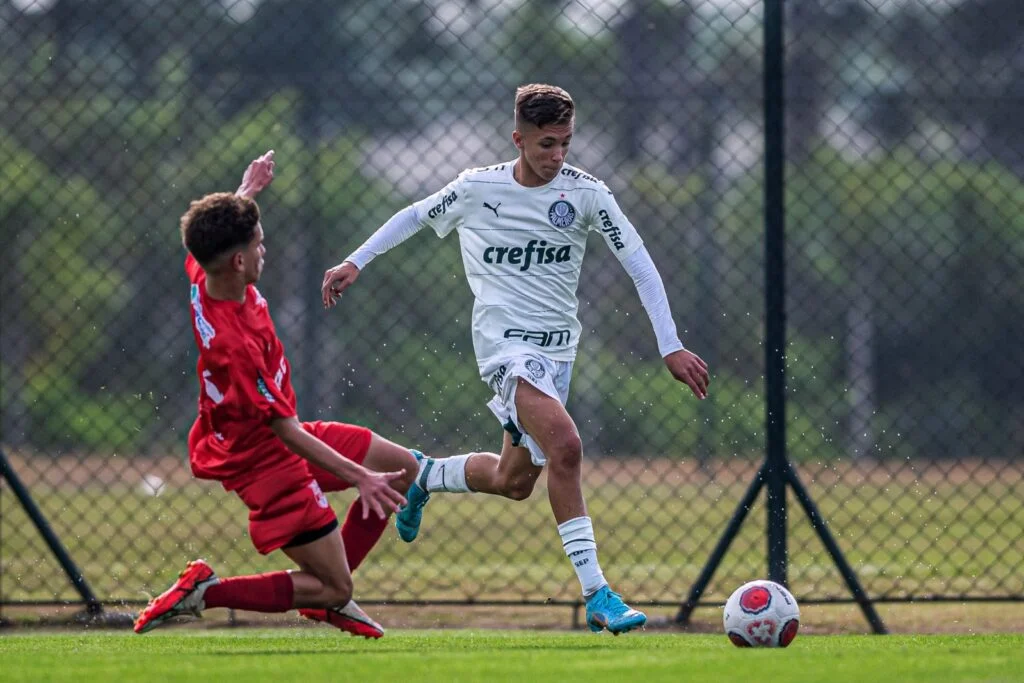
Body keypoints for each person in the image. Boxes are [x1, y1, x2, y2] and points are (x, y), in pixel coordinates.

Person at [320, 84, 710, 635]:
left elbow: (640, 265)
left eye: (566, 143)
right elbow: (412, 215)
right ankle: (599, 594)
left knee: (513, 480)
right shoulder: (477, 188)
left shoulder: (588, 195)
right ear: (519, 139)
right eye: (547, 144)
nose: (557, 155)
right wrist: (355, 261)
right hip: (505, 348)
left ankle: (424, 475)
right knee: (567, 447)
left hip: (558, 353)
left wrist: (669, 343)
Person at [134, 151, 423, 639]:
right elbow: (282, 427)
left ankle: (332, 592)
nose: (266, 251)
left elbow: (207, 238)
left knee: (403, 471)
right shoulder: (235, 345)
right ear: (240, 260)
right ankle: (208, 590)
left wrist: (246, 190)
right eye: (260, 244)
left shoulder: (207, 276)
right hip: (265, 461)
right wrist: (359, 477)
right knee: (338, 577)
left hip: (278, 439)